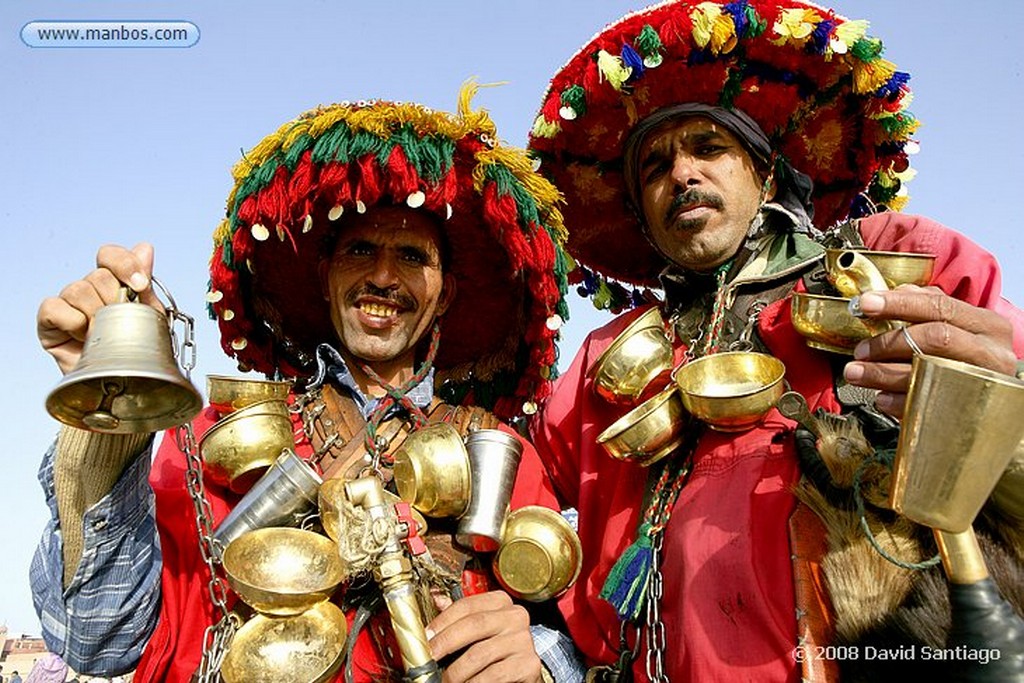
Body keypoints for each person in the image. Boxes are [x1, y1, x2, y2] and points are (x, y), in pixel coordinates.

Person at [525, 1, 1024, 681]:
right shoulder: (600, 363)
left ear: (764, 172)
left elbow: (1005, 381)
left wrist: (1007, 406)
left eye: (709, 148)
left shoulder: (890, 262)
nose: (682, 174)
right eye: (655, 167)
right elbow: (520, 502)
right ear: (642, 216)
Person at [31, 83, 581, 682]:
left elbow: (573, 633)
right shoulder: (222, 436)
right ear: (325, 278)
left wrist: (542, 662)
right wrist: (109, 420)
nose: (382, 275)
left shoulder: (498, 454)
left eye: (413, 257)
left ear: (445, 293)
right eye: (360, 250)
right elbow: (99, 640)